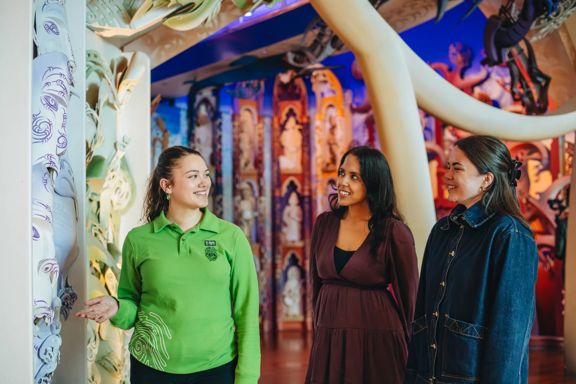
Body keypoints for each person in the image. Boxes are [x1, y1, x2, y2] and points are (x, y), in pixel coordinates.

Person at [76, 146, 260, 384]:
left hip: (216, 368)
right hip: (152, 368)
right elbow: (132, 308)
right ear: (167, 186)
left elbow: (246, 313)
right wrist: (116, 307)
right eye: (193, 176)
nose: (204, 183)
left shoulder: (231, 237)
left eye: (205, 174)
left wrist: (247, 377)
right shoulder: (139, 239)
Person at [405, 135, 538, 384]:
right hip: (431, 376)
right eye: (448, 167)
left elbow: (510, 331)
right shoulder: (441, 230)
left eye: (457, 168)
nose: (447, 175)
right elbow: (422, 312)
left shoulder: (510, 234)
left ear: (486, 180)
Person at [306, 146, 419, 384]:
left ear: (374, 182)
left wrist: (418, 355)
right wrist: (320, 330)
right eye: (342, 173)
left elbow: (410, 298)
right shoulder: (324, 224)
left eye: (354, 177)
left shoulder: (393, 231)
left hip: (378, 338)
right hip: (329, 338)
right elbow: (315, 283)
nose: (343, 182)